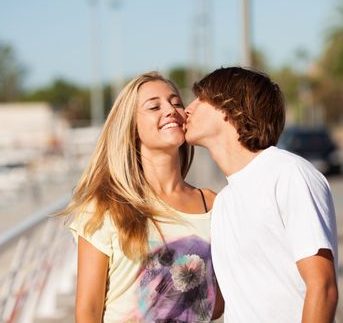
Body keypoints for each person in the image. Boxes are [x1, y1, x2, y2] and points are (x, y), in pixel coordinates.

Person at [60, 71, 224, 323]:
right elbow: (87, 312)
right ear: (131, 126)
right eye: (154, 106)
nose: (170, 110)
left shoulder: (213, 204)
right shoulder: (105, 206)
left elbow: (216, 305)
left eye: (176, 102)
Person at [184, 67, 338, 322]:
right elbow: (223, 302)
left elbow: (322, 287)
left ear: (229, 109)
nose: (188, 108)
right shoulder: (223, 202)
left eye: (201, 99)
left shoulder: (289, 174)